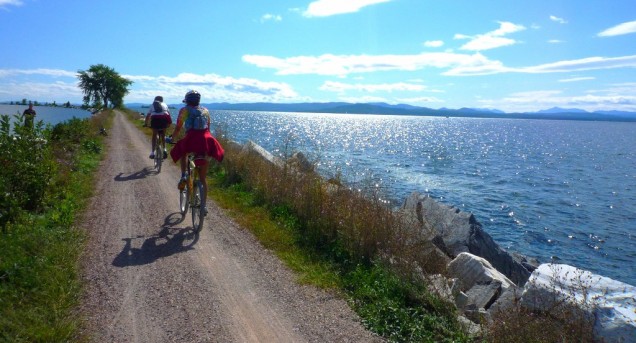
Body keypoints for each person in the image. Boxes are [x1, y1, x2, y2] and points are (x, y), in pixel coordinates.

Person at [169, 90, 224, 214]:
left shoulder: (185, 110)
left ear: (187, 100)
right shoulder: (205, 110)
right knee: (203, 178)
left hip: (191, 138)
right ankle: (203, 206)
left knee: (183, 152)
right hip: (206, 139)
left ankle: (183, 175)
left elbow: (178, 126)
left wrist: (173, 138)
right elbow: (208, 128)